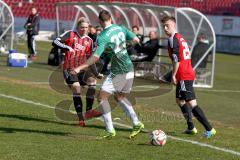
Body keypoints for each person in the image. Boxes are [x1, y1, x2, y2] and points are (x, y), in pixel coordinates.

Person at [74, 10, 144, 139]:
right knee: (119, 97)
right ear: (110, 18)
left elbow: (95, 57)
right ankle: (136, 123)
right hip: (129, 68)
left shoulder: (103, 36)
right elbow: (135, 39)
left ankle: (110, 129)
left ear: (100, 22)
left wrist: (80, 68)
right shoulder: (121, 28)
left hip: (119, 71)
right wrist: (122, 46)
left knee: (101, 97)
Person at [161, 16, 216, 138]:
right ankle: (191, 127)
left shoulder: (173, 39)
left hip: (184, 74)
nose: (165, 28)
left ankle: (209, 129)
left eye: (167, 25)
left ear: (174, 25)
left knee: (192, 103)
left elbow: (177, 60)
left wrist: (173, 75)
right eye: (163, 26)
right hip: (186, 73)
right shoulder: (180, 38)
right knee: (179, 100)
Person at [52, 17, 102, 127]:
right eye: (82, 27)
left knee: (92, 83)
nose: (84, 29)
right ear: (78, 27)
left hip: (82, 68)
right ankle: (81, 119)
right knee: (76, 88)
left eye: (86, 27)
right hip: (69, 68)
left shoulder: (89, 40)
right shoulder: (70, 34)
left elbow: (90, 59)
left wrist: (96, 73)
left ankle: (89, 111)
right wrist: (67, 47)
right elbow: (55, 41)